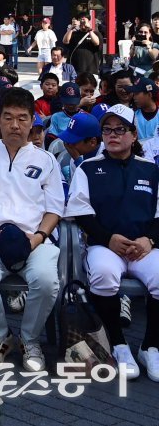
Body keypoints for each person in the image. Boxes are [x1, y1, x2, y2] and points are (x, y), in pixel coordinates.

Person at [0, 86, 64, 371]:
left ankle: (30, 339)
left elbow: (55, 209)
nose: (14, 125)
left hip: (35, 239)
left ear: (33, 121)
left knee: (46, 281)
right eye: (7, 117)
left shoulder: (46, 161)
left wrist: (38, 238)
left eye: (22, 118)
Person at [65, 104, 159, 380]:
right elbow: (80, 213)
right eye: (107, 129)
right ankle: (119, 345)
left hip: (144, 246)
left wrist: (149, 240)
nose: (113, 135)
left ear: (133, 135)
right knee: (104, 275)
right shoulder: (89, 168)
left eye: (120, 130)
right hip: (105, 246)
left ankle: (150, 346)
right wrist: (108, 238)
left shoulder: (151, 170)